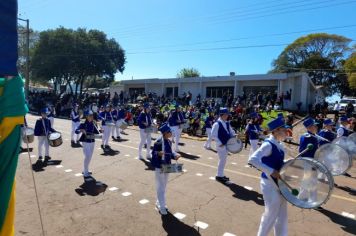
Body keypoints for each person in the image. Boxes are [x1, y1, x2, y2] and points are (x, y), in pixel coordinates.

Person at [249, 117, 288, 236]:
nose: (286, 132)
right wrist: (271, 171)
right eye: (283, 130)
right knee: (270, 215)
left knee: (282, 215)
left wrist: (289, 163)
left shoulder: (278, 144)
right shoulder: (268, 144)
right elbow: (253, 159)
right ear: (275, 131)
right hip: (269, 184)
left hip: (278, 183)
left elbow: (277, 162)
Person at [151, 123, 181, 215]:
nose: (171, 133)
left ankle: (159, 202)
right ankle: (162, 206)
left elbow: (170, 152)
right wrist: (158, 154)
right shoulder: (158, 142)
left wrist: (175, 155)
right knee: (160, 187)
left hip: (167, 166)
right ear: (164, 133)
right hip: (160, 167)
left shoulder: (168, 141)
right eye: (169, 132)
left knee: (163, 186)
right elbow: (153, 153)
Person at [211, 108, 236, 183]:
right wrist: (220, 143)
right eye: (226, 114)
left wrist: (234, 135)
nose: (227, 116)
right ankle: (219, 175)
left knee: (223, 160)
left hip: (226, 144)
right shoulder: (216, 124)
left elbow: (231, 131)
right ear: (221, 115)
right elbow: (213, 135)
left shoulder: (227, 123)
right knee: (222, 160)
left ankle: (220, 174)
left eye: (227, 114)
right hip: (221, 145)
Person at [75, 111, 100, 179]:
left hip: (92, 140)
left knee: (90, 156)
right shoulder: (83, 123)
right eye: (90, 115)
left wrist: (100, 131)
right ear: (86, 116)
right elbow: (76, 130)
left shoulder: (93, 122)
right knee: (87, 156)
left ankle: (85, 169)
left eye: (92, 115)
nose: (91, 117)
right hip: (85, 141)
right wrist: (81, 130)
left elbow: (96, 132)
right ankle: (85, 172)